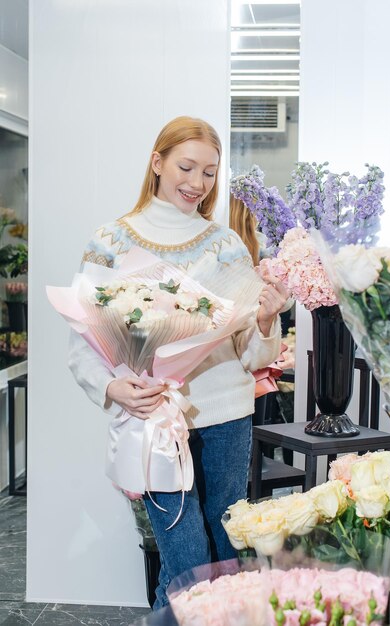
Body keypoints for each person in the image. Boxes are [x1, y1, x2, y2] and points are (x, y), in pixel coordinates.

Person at [68, 116, 289, 610]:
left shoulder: (226, 244)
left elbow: (251, 353)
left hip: (227, 415)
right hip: (155, 419)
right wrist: (112, 389)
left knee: (223, 548)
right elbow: (82, 340)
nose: (197, 183)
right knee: (187, 555)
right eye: (186, 167)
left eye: (209, 173)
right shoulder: (111, 241)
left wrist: (268, 321)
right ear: (157, 162)